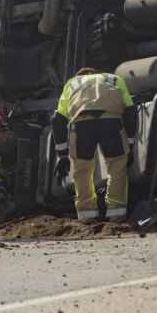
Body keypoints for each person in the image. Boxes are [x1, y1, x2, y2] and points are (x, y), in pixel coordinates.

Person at [52, 67, 136, 221]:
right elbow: (131, 110)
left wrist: (62, 155)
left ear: (81, 76)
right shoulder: (114, 79)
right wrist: (130, 144)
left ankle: (86, 215)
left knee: (82, 170)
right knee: (117, 167)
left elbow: (58, 120)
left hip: (82, 124)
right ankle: (116, 213)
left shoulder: (72, 83)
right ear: (95, 73)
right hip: (111, 123)